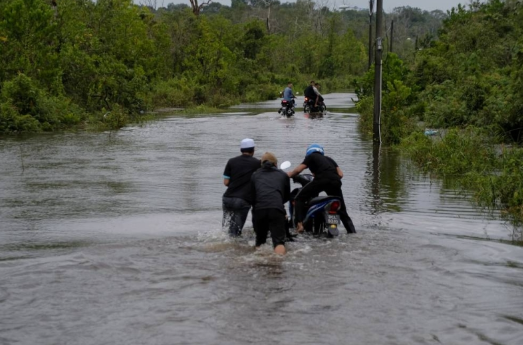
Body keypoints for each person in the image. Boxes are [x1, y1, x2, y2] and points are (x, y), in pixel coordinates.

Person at [287, 144, 356, 234]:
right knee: (342, 211)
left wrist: (289, 175)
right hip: (335, 182)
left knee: (299, 198)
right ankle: (352, 232)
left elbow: (299, 170)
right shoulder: (329, 159)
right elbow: (340, 174)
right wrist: (331, 178)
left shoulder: (311, 157)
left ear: (308, 152)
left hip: (321, 181)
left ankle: (300, 225)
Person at [251, 152, 291, 255]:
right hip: (276, 209)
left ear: (261, 164)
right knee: (279, 242)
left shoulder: (255, 175)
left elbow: (252, 195)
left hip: (259, 209)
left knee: (260, 241)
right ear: (275, 164)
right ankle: (278, 264)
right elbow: (286, 196)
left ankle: (259, 264)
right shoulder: (283, 175)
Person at [222, 138, 261, 237]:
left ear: (241, 150)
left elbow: (226, 182)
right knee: (235, 233)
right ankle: (234, 249)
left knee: (226, 230)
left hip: (227, 198)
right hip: (243, 200)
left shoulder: (231, 161)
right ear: (253, 150)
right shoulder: (257, 163)